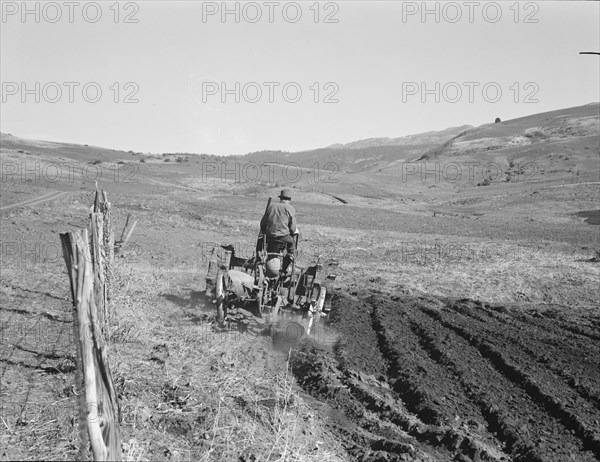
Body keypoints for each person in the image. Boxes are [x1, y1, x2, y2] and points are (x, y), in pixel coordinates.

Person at [260, 189, 298, 273]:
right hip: (283, 237)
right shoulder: (290, 209)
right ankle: (285, 269)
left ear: (280, 198)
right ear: (289, 199)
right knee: (292, 247)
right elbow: (292, 228)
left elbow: (263, 223)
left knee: (264, 245)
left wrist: (265, 231)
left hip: (270, 237)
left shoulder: (271, 207)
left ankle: (262, 262)